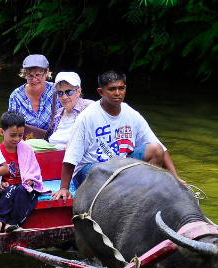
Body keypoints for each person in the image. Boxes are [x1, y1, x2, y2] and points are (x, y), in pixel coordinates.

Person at [52, 70, 184, 200]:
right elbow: (71, 157)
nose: (117, 93)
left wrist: (176, 178)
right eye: (112, 89)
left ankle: (141, 194)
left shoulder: (131, 114)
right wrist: (64, 188)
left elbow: (159, 147)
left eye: (121, 88)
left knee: (155, 150)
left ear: (125, 89)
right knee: (101, 170)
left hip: (120, 167)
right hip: (91, 170)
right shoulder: (87, 117)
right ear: (101, 92)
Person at [0, 111, 50, 235]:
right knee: (10, 190)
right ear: (1, 132)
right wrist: (0, 183)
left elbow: (34, 170)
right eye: (12, 135)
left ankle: (12, 223)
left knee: (21, 190)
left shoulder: (26, 149)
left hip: (24, 187)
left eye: (20, 135)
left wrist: (31, 179)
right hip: (8, 188)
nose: (17, 139)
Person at [26, 71, 94, 151]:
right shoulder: (60, 112)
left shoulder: (89, 106)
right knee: (25, 144)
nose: (64, 97)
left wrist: (77, 144)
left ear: (78, 91)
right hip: (53, 150)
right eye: (60, 93)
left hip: (72, 155)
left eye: (69, 92)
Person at [8, 54, 60, 131]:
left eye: (38, 75)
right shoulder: (16, 96)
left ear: (46, 73)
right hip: (23, 141)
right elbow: (11, 127)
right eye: (30, 76)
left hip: (52, 141)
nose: (34, 79)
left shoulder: (57, 92)